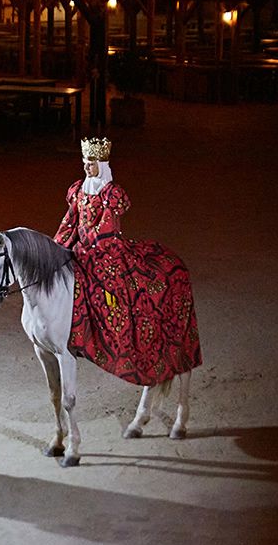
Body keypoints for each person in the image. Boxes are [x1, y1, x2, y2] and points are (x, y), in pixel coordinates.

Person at [54, 137, 202, 386]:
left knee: (109, 289)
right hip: (82, 249)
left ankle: (112, 336)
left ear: (101, 164)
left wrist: (84, 247)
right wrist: (57, 245)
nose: (87, 168)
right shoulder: (78, 189)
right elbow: (69, 221)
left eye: (91, 163)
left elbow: (107, 229)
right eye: (85, 163)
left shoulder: (111, 194)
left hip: (106, 251)